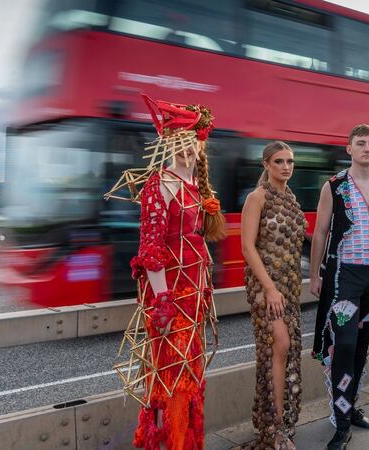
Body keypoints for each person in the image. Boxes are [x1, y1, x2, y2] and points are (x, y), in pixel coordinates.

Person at [107, 94, 225, 449]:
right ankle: (169, 442)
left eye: (192, 144)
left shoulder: (196, 188)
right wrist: (161, 300)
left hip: (195, 296)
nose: (187, 151)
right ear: (168, 145)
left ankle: (184, 440)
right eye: (179, 144)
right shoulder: (161, 184)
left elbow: (202, 239)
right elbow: (151, 248)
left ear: (200, 146)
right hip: (171, 295)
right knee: (170, 375)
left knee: (189, 372)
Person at [310, 124, 369, 450]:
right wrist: (315, 275)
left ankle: (352, 405)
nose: (367, 148)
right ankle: (342, 423)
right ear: (349, 148)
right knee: (344, 347)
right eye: (360, 143)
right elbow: (320, 232)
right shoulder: (334, 186)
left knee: (362, 347)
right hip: (344, 279)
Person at [241, 141, 306, 449]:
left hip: (289, 288)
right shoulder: (257, 198)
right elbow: (247, 247)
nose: (286, 166)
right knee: (278, 345)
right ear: (266, 164)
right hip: (266, 289)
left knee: (286, 351)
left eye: (290, 161)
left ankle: (281, 425)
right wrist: (269, 288)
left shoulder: (291, 200)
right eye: (279, 161)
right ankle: (275, 429)